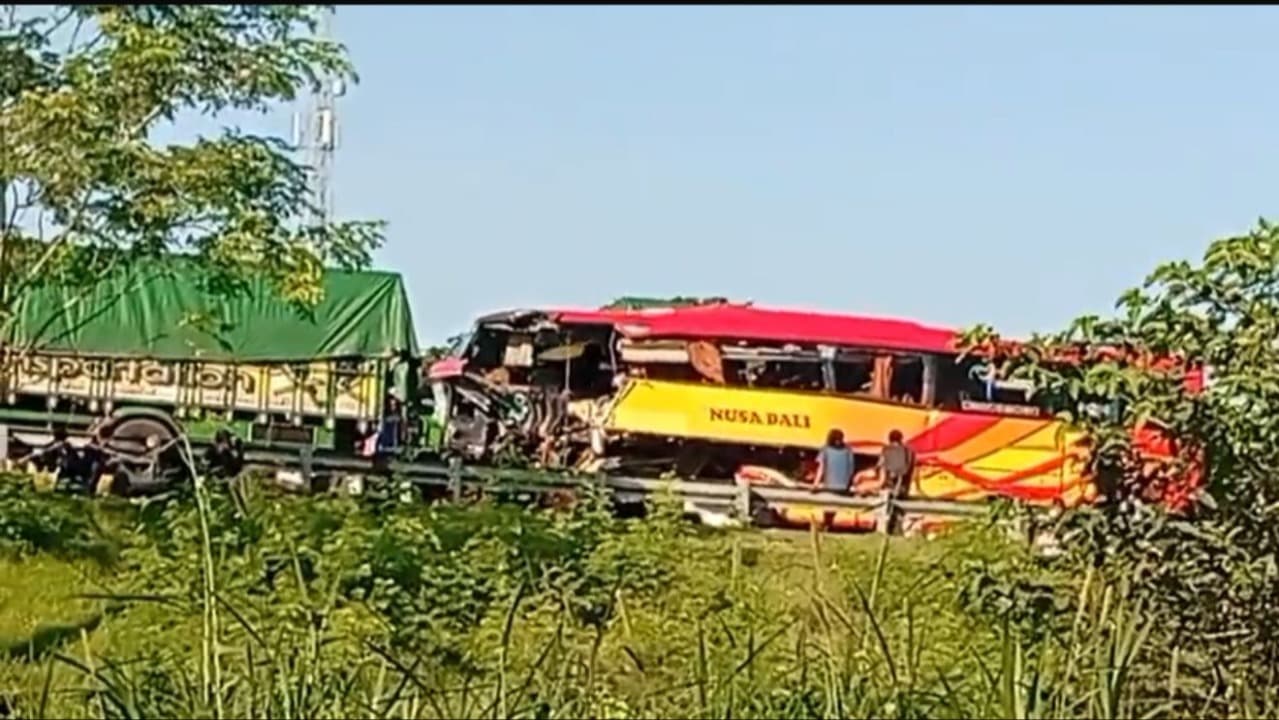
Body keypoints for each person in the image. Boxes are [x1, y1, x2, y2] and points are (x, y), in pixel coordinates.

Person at [878, 429, 916, 534]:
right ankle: (897, 527)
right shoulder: (909, 451)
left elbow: (881, 465)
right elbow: (910, 468)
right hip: (904, 485)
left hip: (890, 486)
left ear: (889, 439)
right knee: (898, 509)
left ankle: (887, 528)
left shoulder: (886, 450)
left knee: (887, 507)